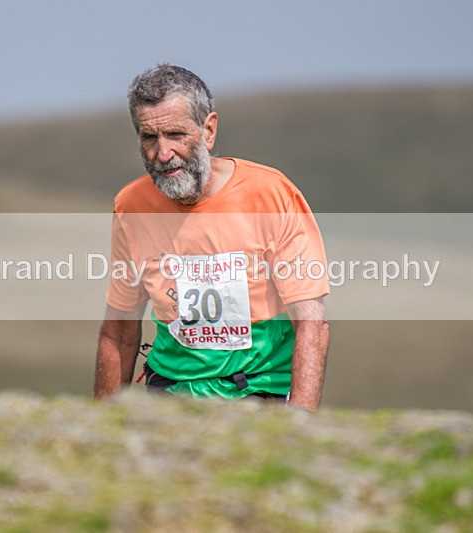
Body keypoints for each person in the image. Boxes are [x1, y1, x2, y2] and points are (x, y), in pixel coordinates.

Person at [93, 64, 329, 410]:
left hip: (259, 391)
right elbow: (119, 332)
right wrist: (103, 427)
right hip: (170, 391)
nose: (162, 153)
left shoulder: (271, 194)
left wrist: (300, 425)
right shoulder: (131, 205)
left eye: (176, 135)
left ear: (209, 129)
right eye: (149, 138)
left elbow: (312, 325)